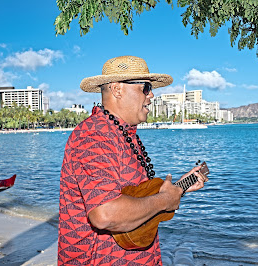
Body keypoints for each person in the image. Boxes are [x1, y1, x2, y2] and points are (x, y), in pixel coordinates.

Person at [58, 55, 208, 265]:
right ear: (117, 89)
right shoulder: (94, 135)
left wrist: (178, 189)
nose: (151, 95)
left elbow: (135, 198)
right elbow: (105, 214)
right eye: (145, 88)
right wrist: (165, 200)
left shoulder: (123, 135)